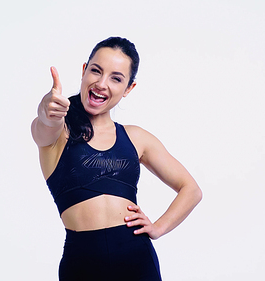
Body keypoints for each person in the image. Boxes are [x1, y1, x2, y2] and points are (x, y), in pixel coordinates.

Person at [31, 37, 202, 281]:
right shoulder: (58, 132)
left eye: (116, 78)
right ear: (84, 71)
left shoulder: (136, 138)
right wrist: (47, 108)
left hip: (138, 262)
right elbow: (44, 123)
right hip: (82, 266)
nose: (101, 84)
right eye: (96, 71)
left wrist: (158, 227)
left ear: (128, 89)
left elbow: (191, 190)